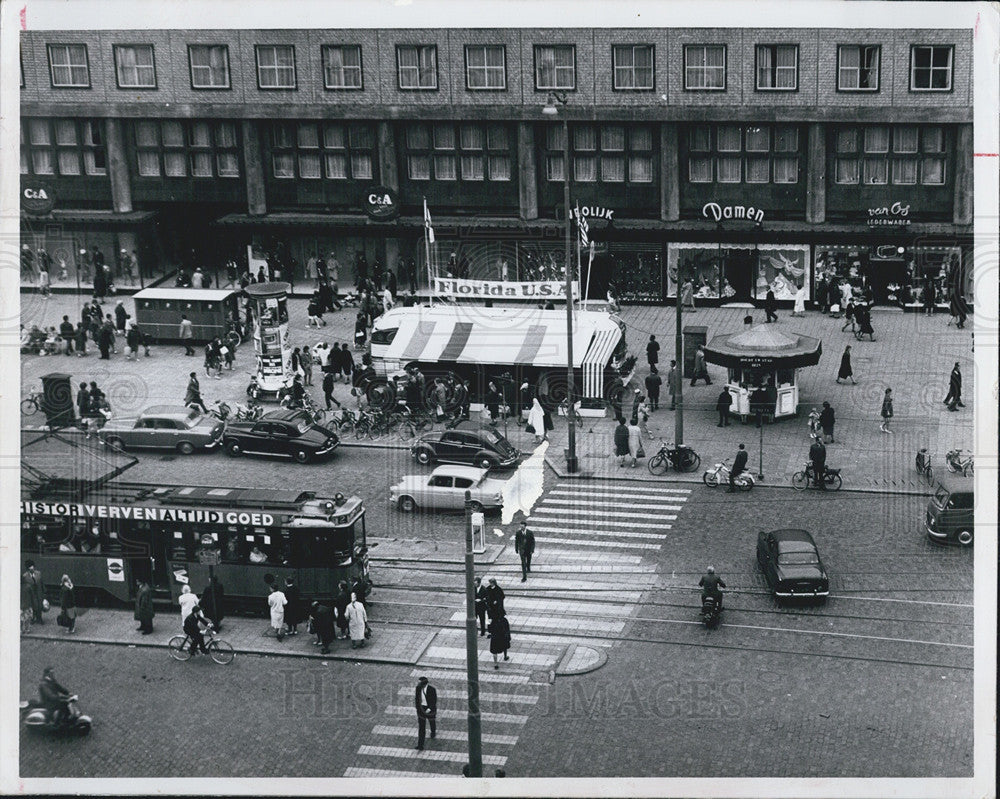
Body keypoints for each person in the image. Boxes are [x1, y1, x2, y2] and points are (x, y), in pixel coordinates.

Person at [414, 676, 437, 751]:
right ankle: (420, 745)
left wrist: (429, 709)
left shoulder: (432, 689)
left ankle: (433, 732)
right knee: (421, 727)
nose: (418, 684)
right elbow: (417, 699)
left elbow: (434, 700)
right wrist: (418, 708)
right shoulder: (418, 688)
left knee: (432, 721)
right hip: (421, 709)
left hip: (430, 709)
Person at [23, 560, 45, 625]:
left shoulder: (38, 573)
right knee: (33, 606)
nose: (32, 567)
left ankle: (40, 618)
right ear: (28, 568)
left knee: (40, 606)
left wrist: (44, 591)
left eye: (32, 566)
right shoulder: (25, 576)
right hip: (31, 594)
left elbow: (41, 582)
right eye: (30, 566)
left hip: (39, 592)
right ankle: (33, 618)